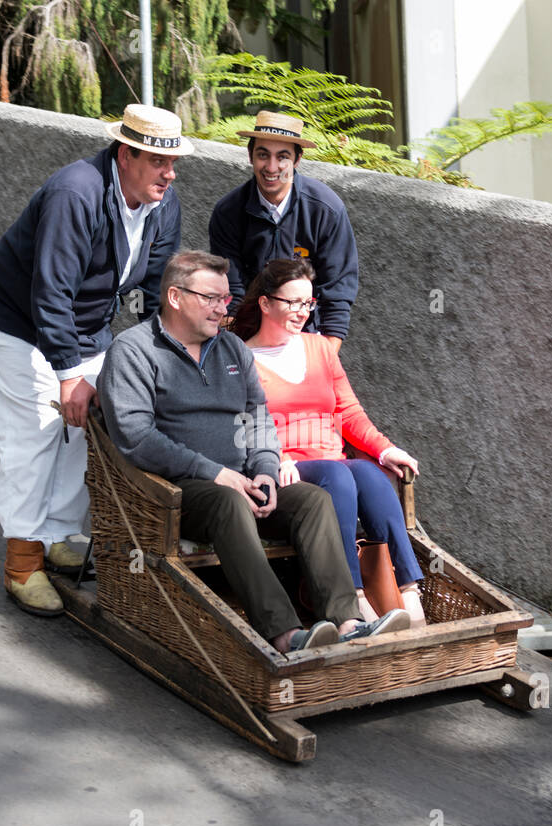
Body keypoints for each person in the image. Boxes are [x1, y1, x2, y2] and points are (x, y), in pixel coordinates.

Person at [98, 250, 409, 653]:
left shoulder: (232, 350)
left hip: (243, 481)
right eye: (210, 298)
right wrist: (215, 473)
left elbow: (259, 419)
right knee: (228, 501)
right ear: (174, 297)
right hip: (176, 491)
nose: (221, 308)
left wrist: (264, 468)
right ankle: (283, 633)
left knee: (313, 499)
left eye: (225, 298)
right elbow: (136, 437)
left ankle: (347, 620)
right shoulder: (134, 351)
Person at [0, 104, 188, 617]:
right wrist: (69, 374)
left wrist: (168, 353)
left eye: (174, 161)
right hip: (16, 322)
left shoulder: (164, 203)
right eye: (159, 160)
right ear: (126, 153)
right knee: (38, 430)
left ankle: (59, 535)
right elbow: (51, 292)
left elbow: (160, 290)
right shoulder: (77, 192)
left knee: (88, 425)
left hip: (87, 325)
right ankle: (22, 561)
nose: (170, 172)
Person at [227, 258, 426, 625]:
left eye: (308, 303)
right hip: (287, 466)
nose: (302, 312)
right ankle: (352, 596)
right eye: (292, 302)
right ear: (266, 303)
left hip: (335, 461)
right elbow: (242, 423)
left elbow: (348, 411)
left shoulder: (320, 348)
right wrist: (275, 458)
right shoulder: (242, 358)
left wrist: (385, 448)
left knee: (369, 474)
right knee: (339, 477)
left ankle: (408, 592)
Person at [208, 111, 358, 353]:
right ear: (250, 156)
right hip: (248, 339)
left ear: (298, 160)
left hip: (308, 337)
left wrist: (325, 360)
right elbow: (231, 293)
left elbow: (337, 296)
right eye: (263, 155)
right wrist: (243, 358)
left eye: (283, 157)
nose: (272, 167)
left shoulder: (326, 209)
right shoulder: (228, 212)